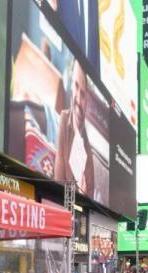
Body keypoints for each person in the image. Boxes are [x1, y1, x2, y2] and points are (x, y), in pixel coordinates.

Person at [54, 60, 95, 196]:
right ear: (71, 84)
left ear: (88, 101)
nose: (77, 98)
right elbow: (58, 181)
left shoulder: (88, 154)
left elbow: (88, 200)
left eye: (83, 94)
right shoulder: (64, 118)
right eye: (76, 86)